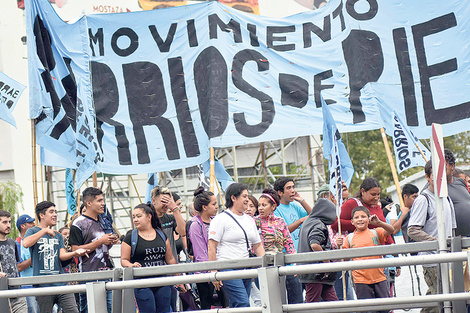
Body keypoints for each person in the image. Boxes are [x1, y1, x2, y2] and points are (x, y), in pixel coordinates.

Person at [408, 160, 456, 313]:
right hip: (433, 260)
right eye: (435, 176)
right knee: (440, 301)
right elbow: (413, 230)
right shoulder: (424, 199)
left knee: (443, 299)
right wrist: (437, 242)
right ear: (427, 177)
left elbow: (452, 229)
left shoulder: (446, 198)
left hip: (449, 259)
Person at [23, 201, 88, 313]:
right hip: (43, 285)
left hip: (61, 282)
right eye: (51, 212)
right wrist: (44, 231)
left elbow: (61, 256)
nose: (55, 215)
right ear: (42, 215)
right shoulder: (32, 231)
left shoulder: (57, 235)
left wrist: (75, 253)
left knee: (73, 311)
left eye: (56, 212)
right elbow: (26, 243)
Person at [208, 183, 265, 308]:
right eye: (244, 196)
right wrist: (213, 272)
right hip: (227, 266)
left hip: (246, 267)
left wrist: (267, 262)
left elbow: (258, 245)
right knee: (243, 302)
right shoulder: (221, 219)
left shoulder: (250, 220)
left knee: (236, 304)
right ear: (233, 198)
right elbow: (212, 246)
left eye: (247, 196)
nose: (247, 199)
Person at [121, 203, 180, 313]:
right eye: (133, 217)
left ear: (149, 217)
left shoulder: (161, 235)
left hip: (162, 281)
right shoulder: (130, 237)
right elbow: (124, 260)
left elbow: (170, 259)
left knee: (164, 310)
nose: (135, 220)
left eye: (139, 216)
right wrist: (131, 265)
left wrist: (178, 278)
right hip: (142, 283)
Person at [69, 187, 118, 313]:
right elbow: (75, 249)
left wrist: (109, 242)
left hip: (108, 272)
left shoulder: (104, 221)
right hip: (88, 275)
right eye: (99, 201)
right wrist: (100, 241)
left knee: (111, 309)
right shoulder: (78, 223)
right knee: (88, 310)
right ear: (89, 203)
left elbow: (105, 247)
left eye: (103, 200)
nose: (103, 203)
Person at [340, 206, 395, 312]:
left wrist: (379, 223)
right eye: (356, 217)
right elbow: (344, 258)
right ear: (352, 222)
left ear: (369, 219)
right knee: (367, 309)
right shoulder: (349, 238)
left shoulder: (376, 232)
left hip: (379, 277)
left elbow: (391, 230)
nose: (360, 219)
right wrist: (340, 246)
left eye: (363, 216)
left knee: (385, 308)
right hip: (360, 280)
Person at [273, 177, 311, 304]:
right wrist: (300, 221)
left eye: (293, 187)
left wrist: (302, 201)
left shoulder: (295, 205)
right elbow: (282, 231)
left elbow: (313, 215)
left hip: (303, 258)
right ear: (280, 192)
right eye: (289, 188)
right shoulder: (276, 209)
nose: (293, 190)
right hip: (289, 261)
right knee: (296, 300)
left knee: (311, 299)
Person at [188, 187, 228, 309]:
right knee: (206, 306)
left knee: (227, 304)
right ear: (204, 207)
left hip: (220, 267)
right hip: (205, 272)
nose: (217, 207)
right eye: (214, 204)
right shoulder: (195, 225)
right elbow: (200, 253)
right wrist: (212, 271)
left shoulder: (216, 221)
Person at [298, 190, 339, 303]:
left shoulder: (308, 222)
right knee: (312, 303)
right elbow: (315, 244)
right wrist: (327, 264)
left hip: (314, 272)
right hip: (316, 272)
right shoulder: (318, 224)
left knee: (332, 301)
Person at [150, 186, 187, 311]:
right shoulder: (147, 219)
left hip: (171, 270)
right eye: (163, 201)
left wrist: (174, 208)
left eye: (168, 201)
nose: (165, 205)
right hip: (152, 269)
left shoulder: (170, 218)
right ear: (153, 200)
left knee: (171, 307)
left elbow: (183, 232)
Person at [331, 177, 393, 245]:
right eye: (373, 194)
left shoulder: (377, 207)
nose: (376, 198)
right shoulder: (352, 203)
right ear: (363, 191)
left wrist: (392, 247)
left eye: (378, 194)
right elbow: (335, 224)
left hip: (381, 252)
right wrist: (361, 223)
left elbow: (386, 232)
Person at [0, 210, 28, 313]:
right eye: (4, 222)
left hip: (17, 290)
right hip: (2, 291)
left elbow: (16, 265)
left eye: (9, 222)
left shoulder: (13, 243)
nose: (8, 225)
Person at [15, 214, 38, 313]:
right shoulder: (17, 243)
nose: (34, 224)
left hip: (41, 283)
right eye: (30, 222)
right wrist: (34, 256)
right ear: (22, 226)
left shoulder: (37, 240)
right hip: (27, 285)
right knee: (33, 310)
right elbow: (18, 267)